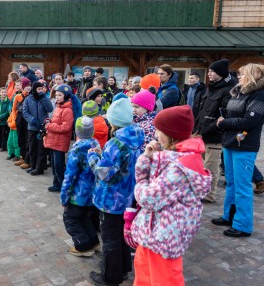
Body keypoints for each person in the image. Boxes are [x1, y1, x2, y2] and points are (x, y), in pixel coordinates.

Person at [132, 105, 211, 286]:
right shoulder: (179, 157)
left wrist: (141, 184)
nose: (156, 134)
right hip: (156, 233)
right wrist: (147, 158)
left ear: (170, 134)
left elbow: (148, 198)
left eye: (159, 130)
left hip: (163, 236)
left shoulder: (179, 167)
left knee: (163, 279)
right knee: (145, 276)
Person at [87, 96, 144, 286]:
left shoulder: (115, 144)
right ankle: (123, 268)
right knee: (122, 234)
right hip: (129, 196)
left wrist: (93, 157)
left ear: (115, 121)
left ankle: (109, 277)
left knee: (110, 238)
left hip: (111, 199)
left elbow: (104, 174)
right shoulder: (137, 137)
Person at [212, 63, 264, 238]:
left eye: (242, 74)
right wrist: (223, 119)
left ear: (252, 76)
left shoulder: (259, 95)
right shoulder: (239, 93)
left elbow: (249, 121)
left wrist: (223, 122)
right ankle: (229, 216)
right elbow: (232, 114)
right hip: (230, 142)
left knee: (242, 186)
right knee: (232, 183)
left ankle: (243, 224)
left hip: (244, 146)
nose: (239, 77)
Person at [194, 59, 237, 203]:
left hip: (214, 136)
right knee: (199, 166)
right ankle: (200, 191)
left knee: (210, 167)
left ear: (220, 73)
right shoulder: (211, 88)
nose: (209, 74)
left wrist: (205, 131)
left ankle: (208, 195)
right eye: (209, 71)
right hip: (201, 133)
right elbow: (202, 111)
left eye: (212, 71)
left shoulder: (228, 90)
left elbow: (222, 116)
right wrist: (197, 129)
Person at [61, 116, 101, 257]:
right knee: (84, 217)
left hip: (78, 195)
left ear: (77, 132)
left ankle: (83, 246)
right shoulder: (95, 145)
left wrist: (64, 198)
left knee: (71, 218)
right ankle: (93, 241)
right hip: (92, 192)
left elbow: (69, 177)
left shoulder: (76, 151)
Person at [44, 84, 78, 190]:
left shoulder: (67, 110)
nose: (57, 97)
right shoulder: (58, 108)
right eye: (56, 95)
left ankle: (63, 185)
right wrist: (49, 121)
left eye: (60, 95)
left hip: (60, 142)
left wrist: (49, 126)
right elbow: (56, 122)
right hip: (53, 140)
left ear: (66, 96)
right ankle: (56, 184)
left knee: (59, 166)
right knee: (54, 165)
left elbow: (65, 128)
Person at [22, 81, 53, 175]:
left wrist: (44, 98)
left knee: (41, 149)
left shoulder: (44, 98)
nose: (40, 91)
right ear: (34, 89)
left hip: (42, 127)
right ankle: (33, 165)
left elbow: (50, 109)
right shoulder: (28, 99)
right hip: (32, 127)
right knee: (32, 147)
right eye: (38, 89)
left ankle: (40, 168)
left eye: (41, 89)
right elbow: (25, 112)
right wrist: (32, 120)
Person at [13, 78, 32, 168]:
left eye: (29, 85)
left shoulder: (31, 96)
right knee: (20, 138)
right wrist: (14, 119)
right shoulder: (18, 96)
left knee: (27, 139)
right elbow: (13, 109)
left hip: (27, 119)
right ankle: (22, 157)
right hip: (20, 118)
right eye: (26, 85)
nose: (28, 87)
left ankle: (27, 159)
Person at [6, 79, 22, 161]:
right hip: (12, 117)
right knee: (10, 139)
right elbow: (10, 104)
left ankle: (17, 155)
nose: (17, 86)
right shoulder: (14, 94)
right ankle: (10, 153)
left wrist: (15, 111)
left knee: (16, 140)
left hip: (17, 119)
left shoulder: (22, 96)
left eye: (19, 85)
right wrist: (10, 110)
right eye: (16, 85)